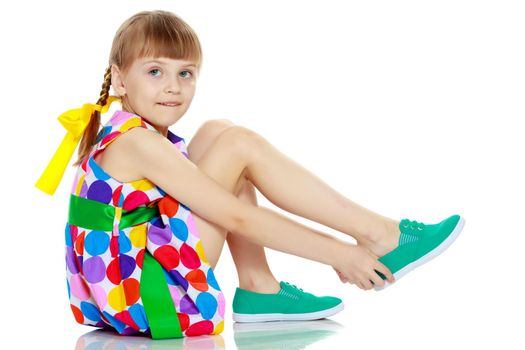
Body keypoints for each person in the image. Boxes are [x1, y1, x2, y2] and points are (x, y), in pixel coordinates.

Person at [35, 10, 465, 339]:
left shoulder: (128, 130)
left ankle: (259, 286)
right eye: (155, 72)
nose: (173, 87)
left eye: (185, 73)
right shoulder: (138, 143)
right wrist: (339, 255)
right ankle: (379, 236)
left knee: (218, 132)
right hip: (149, 296)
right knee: (237, 145)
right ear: (120, 80)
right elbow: (236, 217)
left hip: (124, 281)